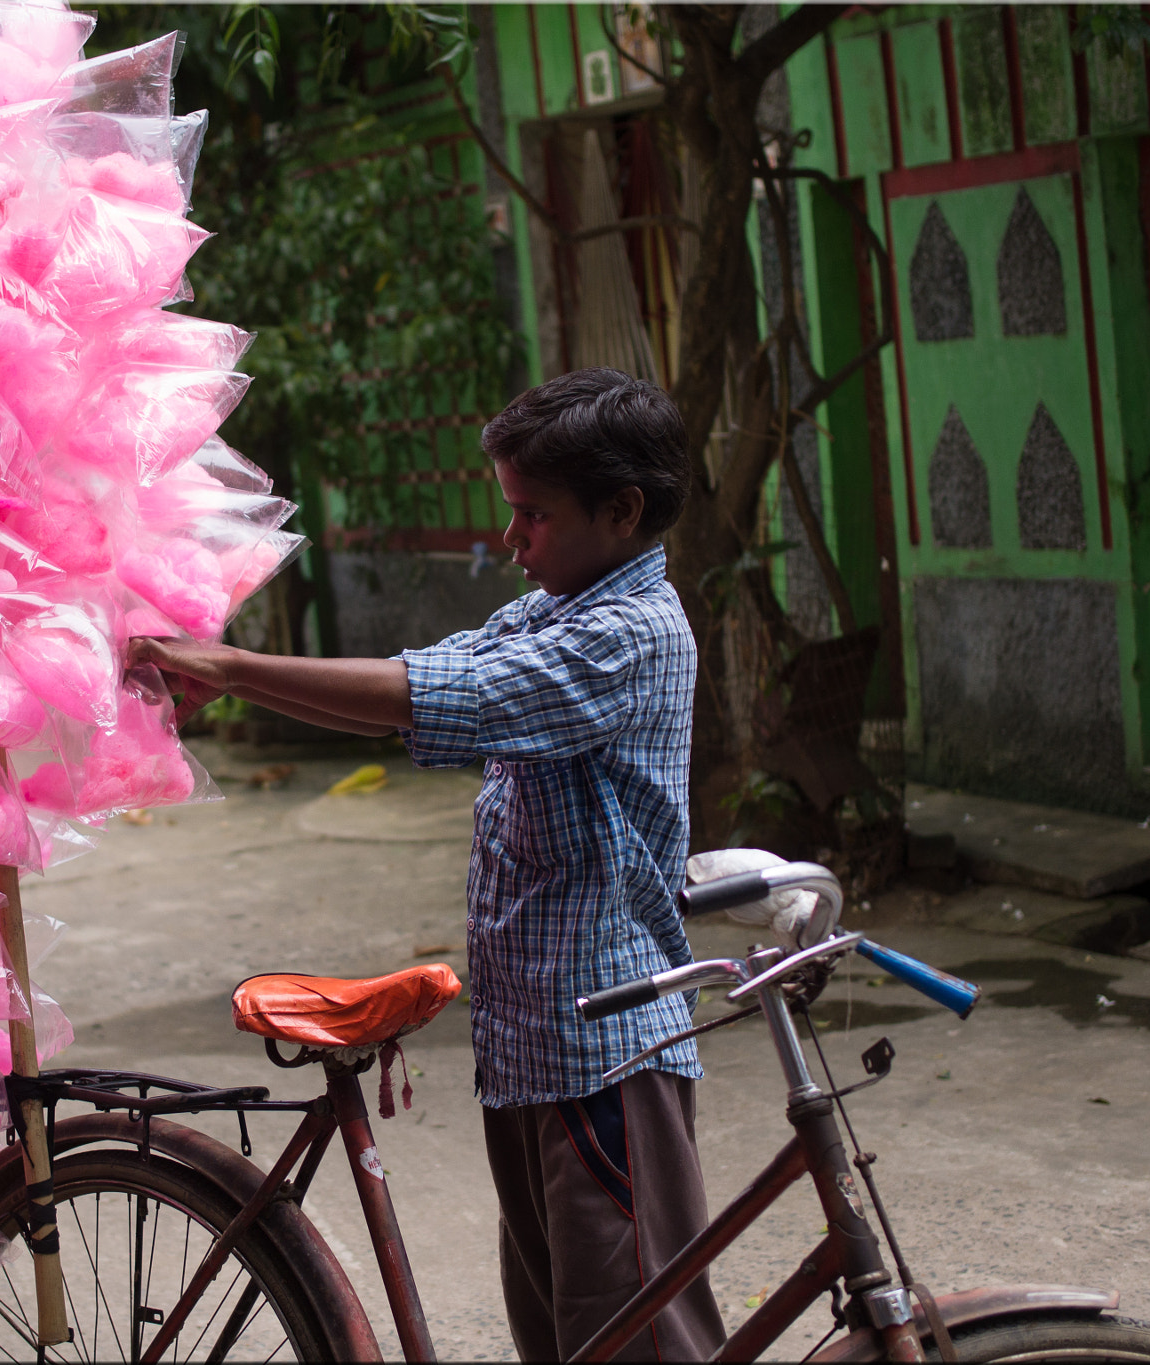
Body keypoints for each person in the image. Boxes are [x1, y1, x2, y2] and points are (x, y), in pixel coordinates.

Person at [130, 367, 725, 1361]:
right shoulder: (552, 613)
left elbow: (442, 695)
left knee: (627, 1336)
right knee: (572, 1334)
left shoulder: (629, 635)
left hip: (604, 1060)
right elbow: (425, 684)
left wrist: (227, 669)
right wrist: (223, 680)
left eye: (530, 517)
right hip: (535, 1056)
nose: (510, 540)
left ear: (619, 512)